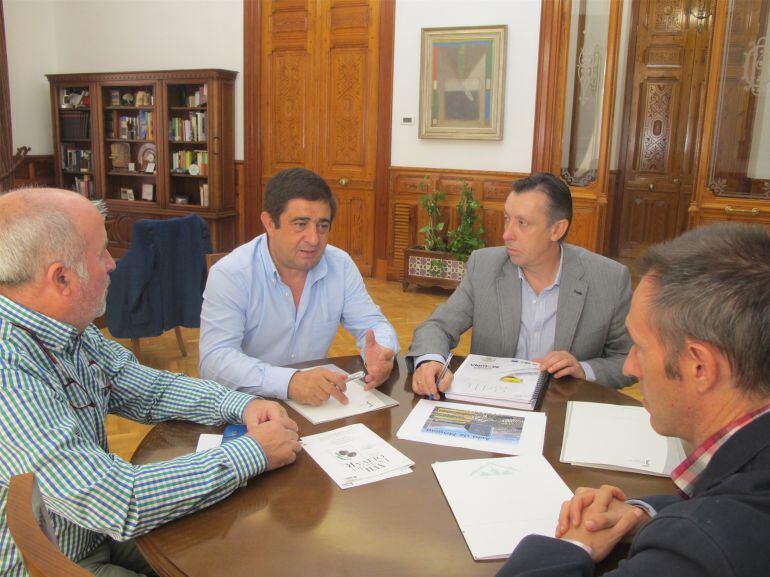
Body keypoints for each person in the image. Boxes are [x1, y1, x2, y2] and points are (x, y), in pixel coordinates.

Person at [0, 188, 302, 577]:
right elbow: (118, 502)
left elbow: (148, 389)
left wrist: (239, 404)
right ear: (62, 278)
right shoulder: (10, 371)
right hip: (53, 562)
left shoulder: (65, 330)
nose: (113, 264)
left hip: (93, 535)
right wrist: (252, 453)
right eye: (102, 253)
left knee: (245, 550)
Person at [497, 223, 770, 577]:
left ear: (700, 366)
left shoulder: (701, 549)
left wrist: (572, 546)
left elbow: (717, 528)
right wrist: (643, 513)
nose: (629, 366)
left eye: (639, 347)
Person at [407, 173, 633, 396]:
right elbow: (437, 327)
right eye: (507, 218)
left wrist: (584, 370)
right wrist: (429, 361)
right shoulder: (484, 266)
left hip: (562, 409)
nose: (507, 234)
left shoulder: (609, 279)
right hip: (493, 405)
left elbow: (627, 359)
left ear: (557, 229)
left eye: (522, 223)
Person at [199, 167, 399, 406]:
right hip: (246, 405)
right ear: (270, 223)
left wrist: (380, 351)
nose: (314, 239)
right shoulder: (231, 274)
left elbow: (372, 324)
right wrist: (290, 382)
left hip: (315, 405)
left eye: (322, 226)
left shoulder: (340, 265)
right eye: (300, 224)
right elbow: (214, 360)